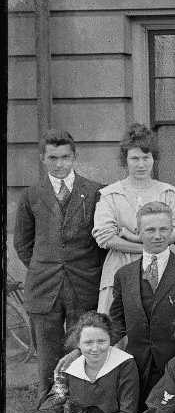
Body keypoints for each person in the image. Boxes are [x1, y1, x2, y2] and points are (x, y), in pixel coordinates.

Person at [14, 129, 106, 391]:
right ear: (42, 157)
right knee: (47, 356)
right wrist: (46, 265)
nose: (59, 164)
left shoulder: (93, 191)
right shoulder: (31, 195)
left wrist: (87, 268)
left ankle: (80, 411)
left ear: (74, 156)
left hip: (83, 284)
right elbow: (22, 243)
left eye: (65, 157)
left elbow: (100, 242)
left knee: (83, 349)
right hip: (44, 287)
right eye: (53, 157)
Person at [105, 202, 175, 409]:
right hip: (138, 367)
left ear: (171, 230)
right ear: (138, 232)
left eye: (164, 229)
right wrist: (83, 349)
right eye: (150, 230)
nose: (158, 236)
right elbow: (116, 323)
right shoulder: (124, 275)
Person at [92, 123, 175, 312]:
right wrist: (146, 247)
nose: (141, 164)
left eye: (146, 157)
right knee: (117, 328)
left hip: (161, 266)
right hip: (120, 267)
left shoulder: (169, 193)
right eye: (135, 158)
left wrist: (141, 239)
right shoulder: (110, 195)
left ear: (154, 158)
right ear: (125, 160)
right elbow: (104, 236)